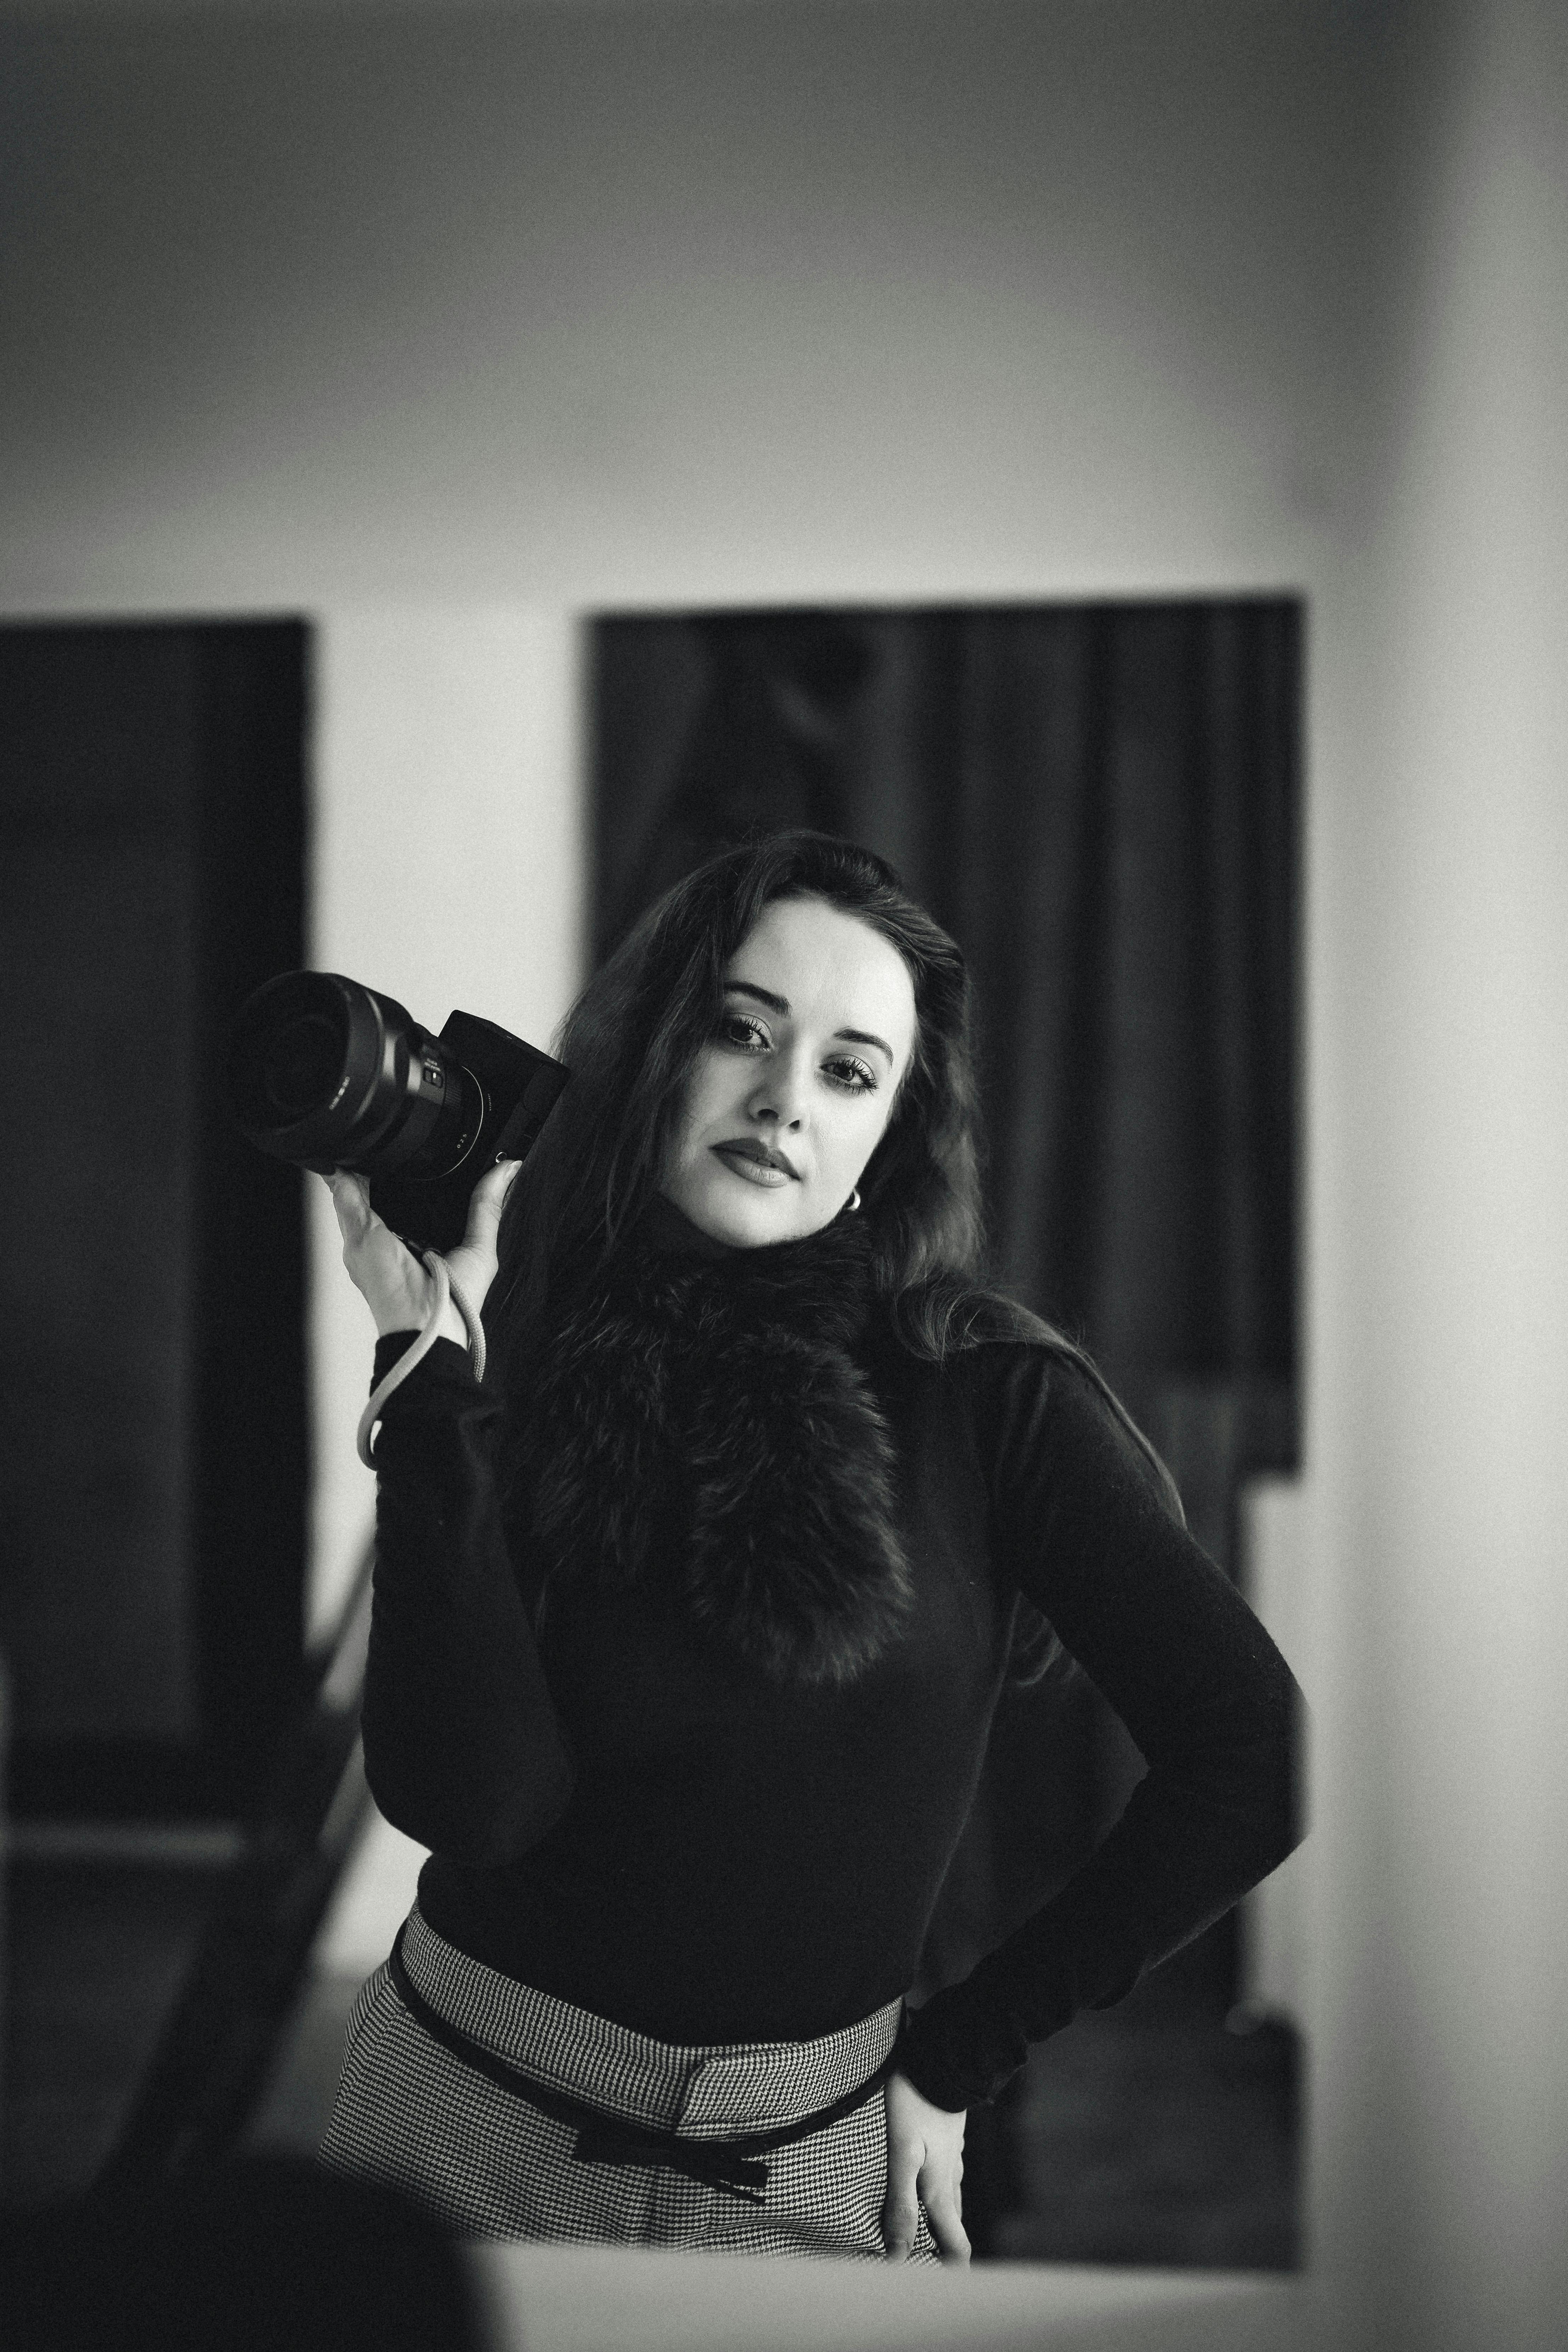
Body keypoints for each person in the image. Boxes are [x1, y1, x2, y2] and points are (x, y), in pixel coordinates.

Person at [317, 829, 1303, 2266]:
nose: (784, 1097)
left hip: (815, 2163)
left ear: (889, 1136)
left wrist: (961, 2052)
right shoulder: (512, 1335)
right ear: (656, 1052)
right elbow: (474, 1800)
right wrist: (425, 1374)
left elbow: (1253, 1752)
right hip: (457, 2116)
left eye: (848, 1070)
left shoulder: (990, 1393)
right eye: (743, 1031)